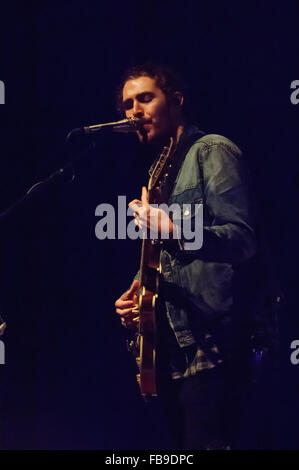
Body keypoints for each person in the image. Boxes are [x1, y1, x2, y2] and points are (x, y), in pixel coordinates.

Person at [114, 63, 256, 450]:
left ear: (176, 101)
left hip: (215, 345)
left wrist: (175, 229)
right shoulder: (159, 171)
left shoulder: (212, 150)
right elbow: (169, 261)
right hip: (173, 354)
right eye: (127, 104)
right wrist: (138, 294)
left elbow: (241, 240)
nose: (133, 112)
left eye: (145, 98)